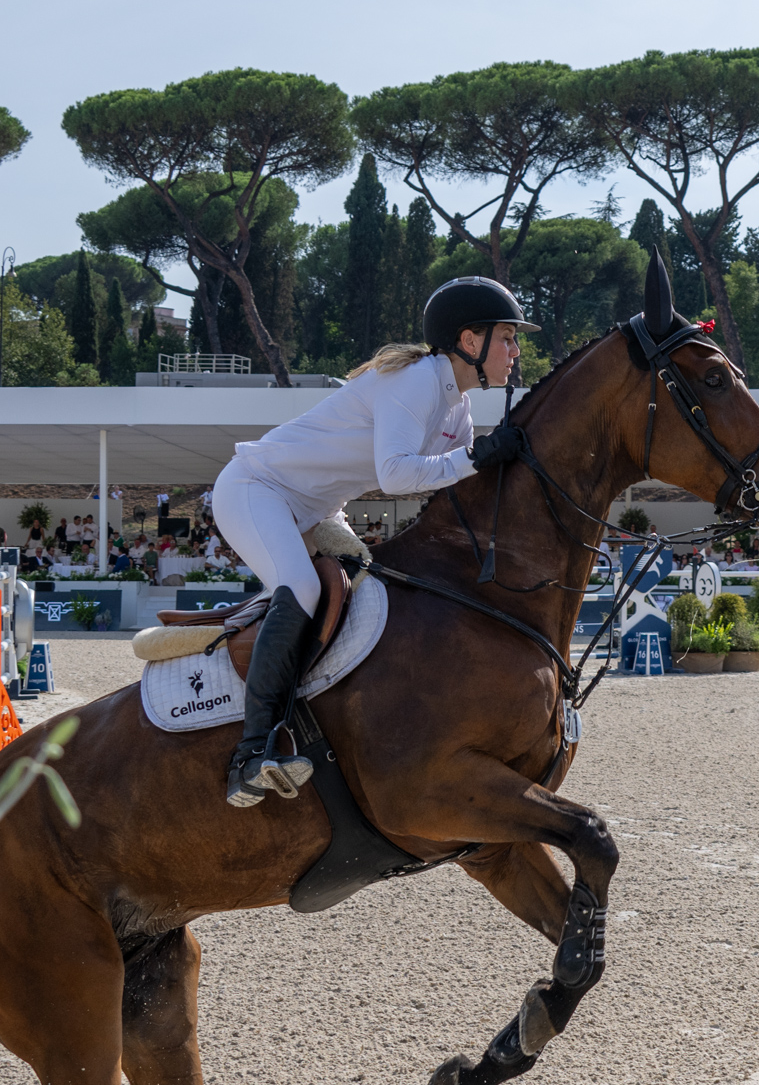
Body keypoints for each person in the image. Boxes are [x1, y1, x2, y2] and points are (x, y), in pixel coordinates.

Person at [210, 275, 535, 808]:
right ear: (470, 341)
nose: (515, 351)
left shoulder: (458, 408)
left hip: (316, 509)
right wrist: (477, 457)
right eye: (507, 337)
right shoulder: (418, 382)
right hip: (258, 490)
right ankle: (251, 757)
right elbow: (397, 474)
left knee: (373, 593)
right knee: (301, 588)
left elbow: (459, 486)